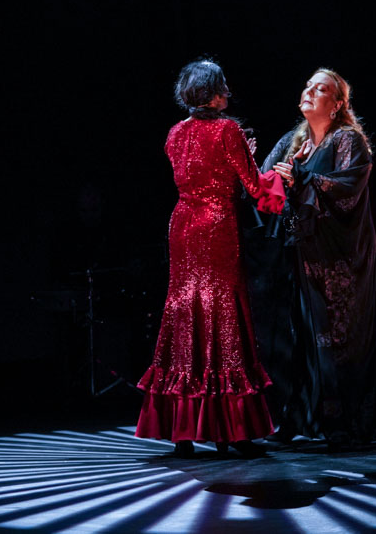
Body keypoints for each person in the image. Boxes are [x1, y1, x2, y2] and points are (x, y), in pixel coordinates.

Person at [135, 59, 285, 458]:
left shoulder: (174, 133)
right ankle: (229, 432)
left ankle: (183, 432)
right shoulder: (228, 130)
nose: (228, 93)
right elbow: (256, 188)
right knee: (221, 314)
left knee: (185, 314)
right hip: (216, 225)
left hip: (183, 224)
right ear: (212, 92)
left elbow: (199, 172)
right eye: (223, 86)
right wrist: (278, 175)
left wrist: (240, 159)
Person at [258, 68, 376, 449]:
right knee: (300, 336)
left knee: (336, 338)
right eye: (308, 86)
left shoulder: (346, 139)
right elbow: (262, 182)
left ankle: (343, 424)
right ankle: (297, 418)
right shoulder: (292, 140)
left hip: (338, 258)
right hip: (300, 253)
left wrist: (304, 178)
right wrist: (249, 163)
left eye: (322, 89)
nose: (310, 91)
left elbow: (349, 187)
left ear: (337, 104)